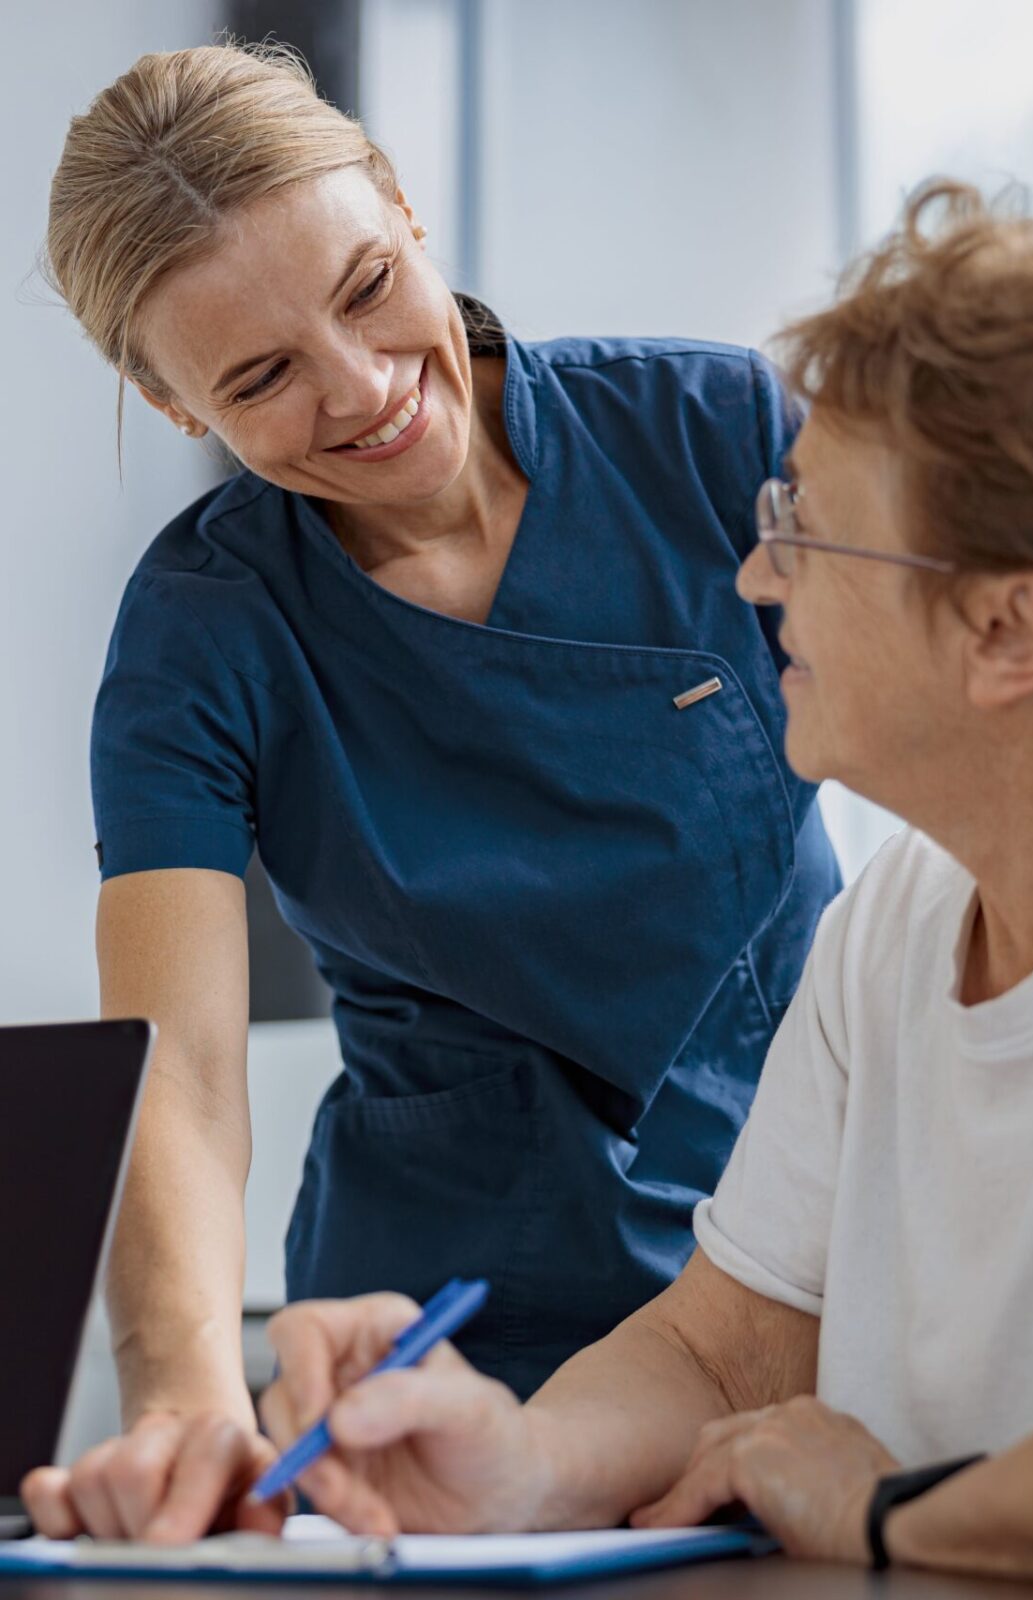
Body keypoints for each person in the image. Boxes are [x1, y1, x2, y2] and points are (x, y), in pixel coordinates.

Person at [42, 178, 1033, 1598]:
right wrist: (512, 1460)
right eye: (261, 371)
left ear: (1008, 626)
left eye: (809, 529)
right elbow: (721, 1348)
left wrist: (881, 1506)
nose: (755, 572)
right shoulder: (896, 936)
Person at [29, 40, 840, 1537]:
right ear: (171, 404)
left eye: (361, 289)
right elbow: (183, 1071)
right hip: (439, 1356)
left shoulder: (718, 438)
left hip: (802, 1285)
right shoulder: (203, 629)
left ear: (401, 206)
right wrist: (185, 1398)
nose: (365, 392)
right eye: (261, 377)